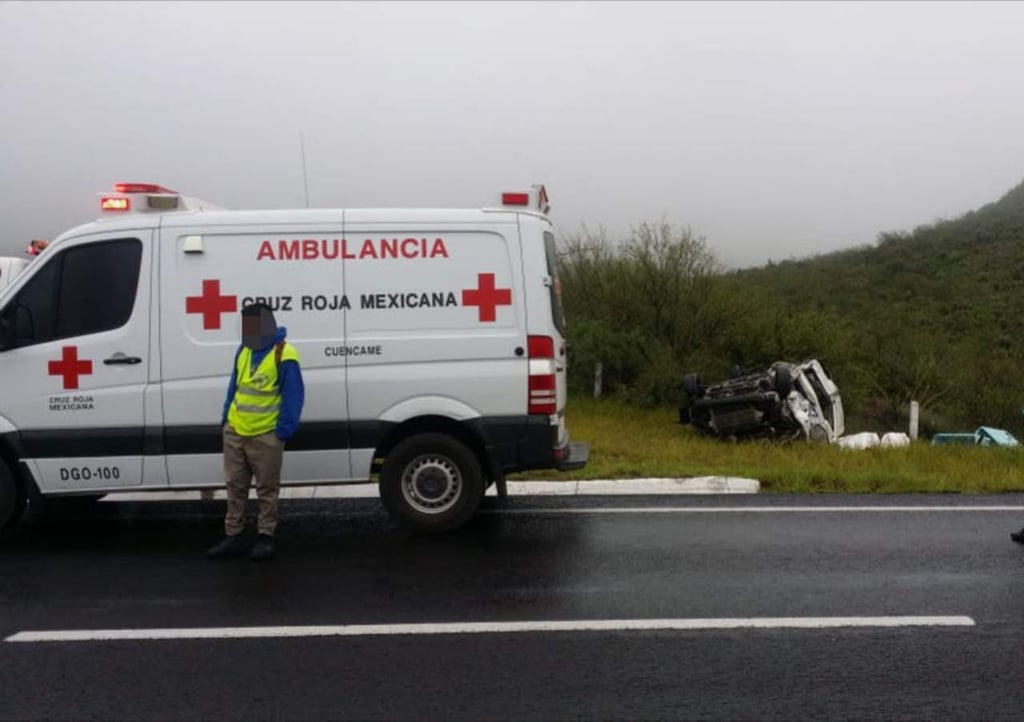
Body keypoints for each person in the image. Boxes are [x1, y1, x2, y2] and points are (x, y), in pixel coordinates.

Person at [207, 302, 304, 561]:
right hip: (236, 431)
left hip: (265, 434)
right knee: (234, 486)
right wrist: (226, 419)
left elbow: (293, 397)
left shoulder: (284, 353)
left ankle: (265, 536)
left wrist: (282, 432)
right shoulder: (245, 350)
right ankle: (234, 535)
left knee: (266, 489)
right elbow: (234, 386)